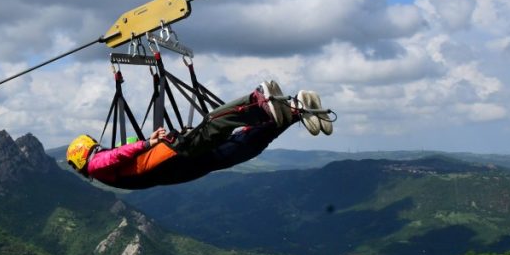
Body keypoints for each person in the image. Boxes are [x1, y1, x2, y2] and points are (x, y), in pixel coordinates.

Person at [66, 81, 332, 190]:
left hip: (179, 168)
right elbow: (117, 154)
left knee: (236, 149)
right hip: (174, 157)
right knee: (214, 128)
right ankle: (259, 101)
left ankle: (292, 111)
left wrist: (147, 144)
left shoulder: (105, 173)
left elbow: (122, 155)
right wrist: (148, 143)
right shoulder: (96, 164)